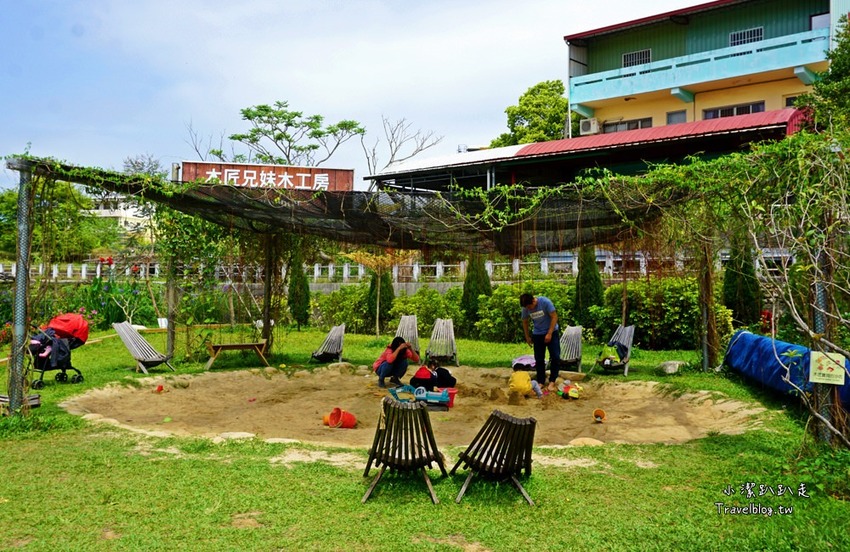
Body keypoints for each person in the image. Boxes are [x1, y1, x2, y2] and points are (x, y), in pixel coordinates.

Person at [520, 292, 561, 392]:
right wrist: (527, 337)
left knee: (555, 356)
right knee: (539, 358)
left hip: (552, 331)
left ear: (533, 301)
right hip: (538, 334)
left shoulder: (545, 302)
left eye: (529, 307)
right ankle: (541, 381)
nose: (528, 309)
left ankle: (552, 381)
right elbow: (525, 321)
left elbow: (554, 317)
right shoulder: (526, 307)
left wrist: (549, 333)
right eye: (526, 308)